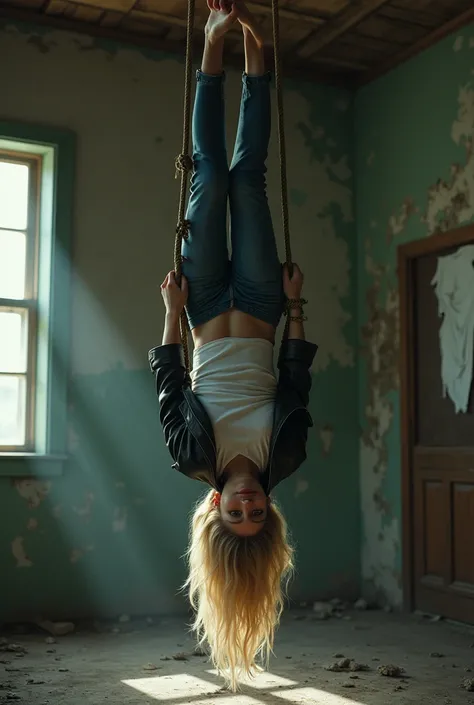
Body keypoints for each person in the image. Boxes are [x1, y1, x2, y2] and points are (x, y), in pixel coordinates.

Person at [148, 0, 317, 691]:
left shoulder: (193, 457)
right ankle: (257, 55)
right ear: (269, 513)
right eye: (258, 514)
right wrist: (296, 303)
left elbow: (166, 380)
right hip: (258, 304)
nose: (247, 502)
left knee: (209, 177)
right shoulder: (287, 451)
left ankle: (213, 44)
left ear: (218, 511)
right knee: (248, 179)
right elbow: (296, 378)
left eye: (236, 514)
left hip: (207, 309)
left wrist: (171, 311)